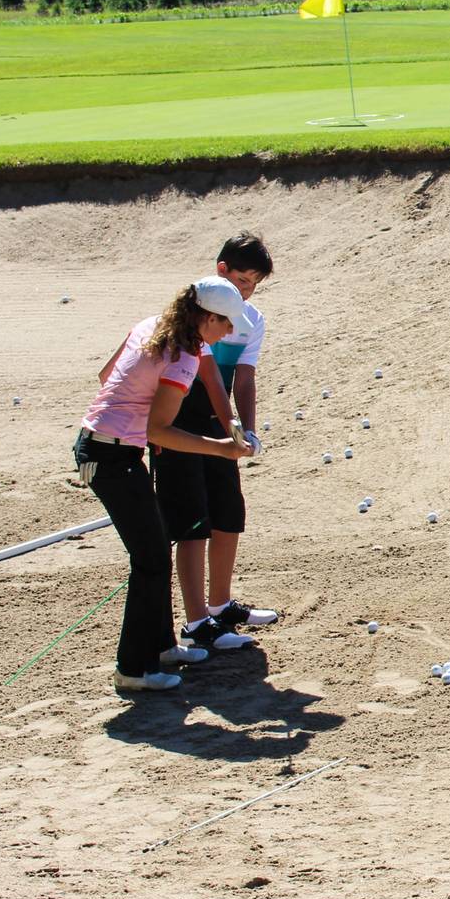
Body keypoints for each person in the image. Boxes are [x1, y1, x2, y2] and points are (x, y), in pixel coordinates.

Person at [74, 278, 254, 691]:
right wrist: (221, 449)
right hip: (109, 457)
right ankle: (133, 669)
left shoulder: (152, 325)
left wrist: (130, 415)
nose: (228, 332)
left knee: (156, 551)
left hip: (109, 446)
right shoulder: (185, 356)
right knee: (152, 559)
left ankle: (160, 648)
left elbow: (107, 376)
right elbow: (160, 430)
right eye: (225, 323)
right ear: (207, 318)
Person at [152, 233, 278, 651]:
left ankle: (220, 605)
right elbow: (207, 377)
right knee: (193, 525)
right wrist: (232, 428)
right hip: (180, 423)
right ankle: (197, 622)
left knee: (228, 515)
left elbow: (243, 376)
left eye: (254, 284)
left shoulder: (252, 319)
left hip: (221, 425)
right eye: (242, 280)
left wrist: (247, 430)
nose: (247, 290)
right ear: (221, 271)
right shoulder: (201, 310)